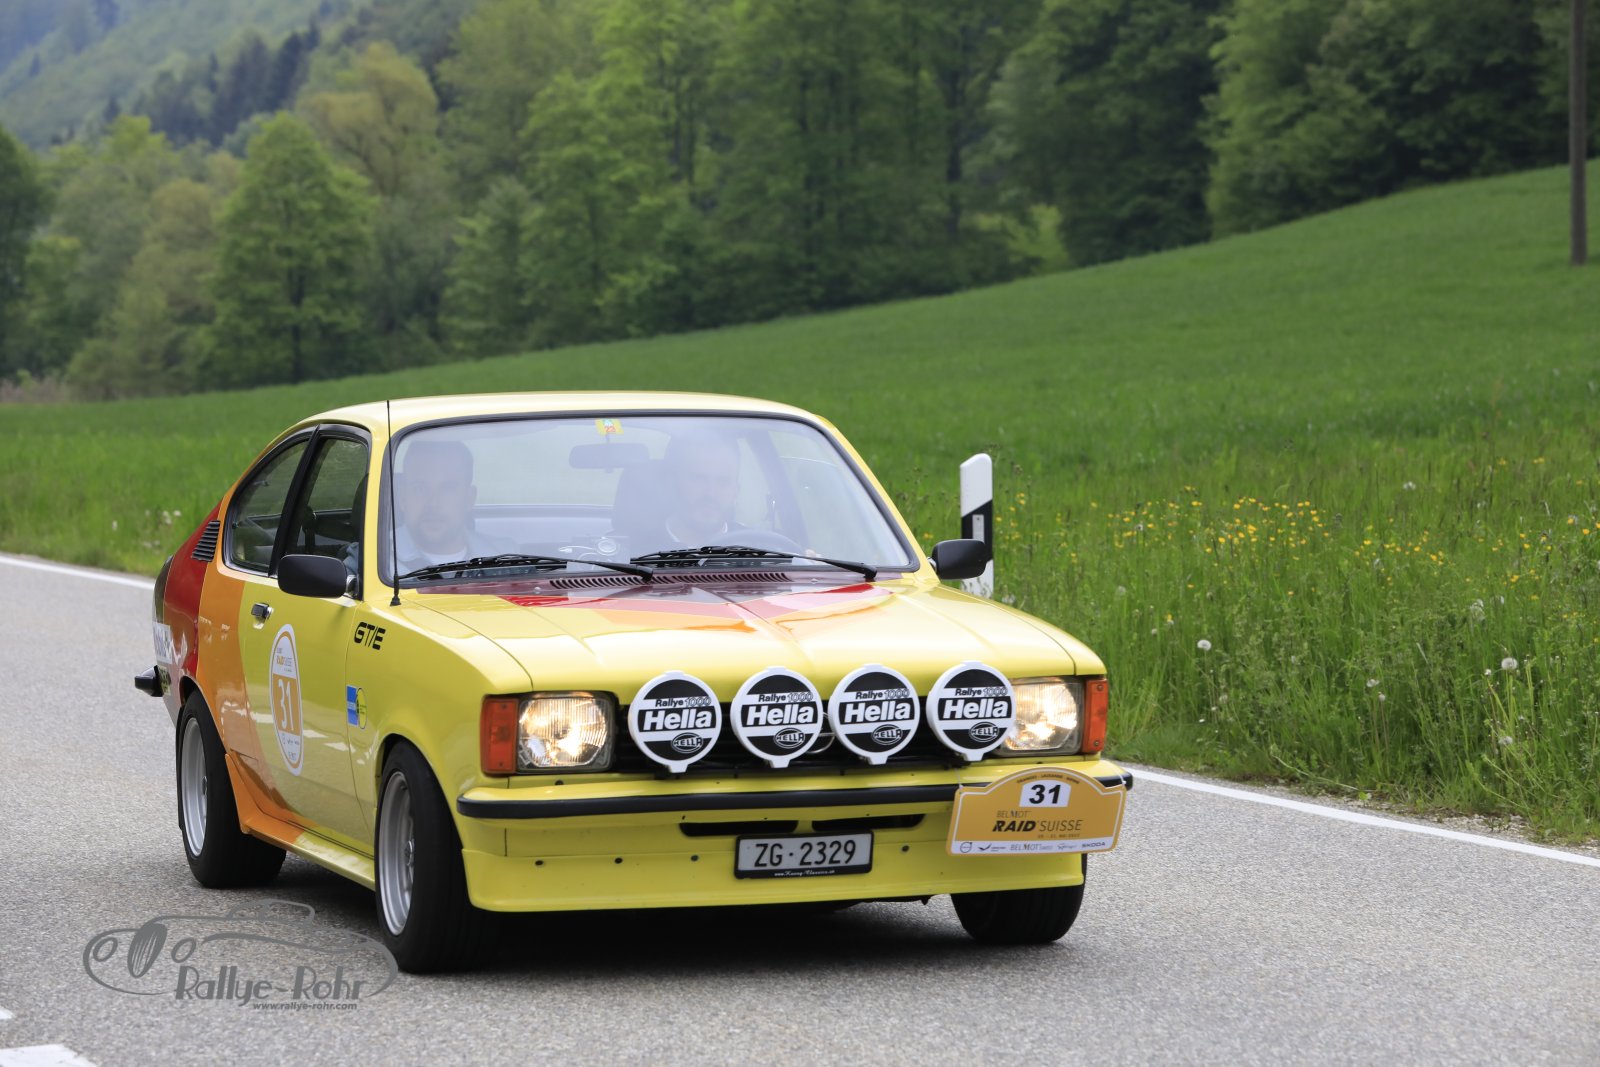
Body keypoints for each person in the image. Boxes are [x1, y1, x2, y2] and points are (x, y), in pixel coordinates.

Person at [392, 438, 513, 573]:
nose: (433, 504)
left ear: (469, 499)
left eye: (448, 489)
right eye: (420, 488)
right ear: (402, 498)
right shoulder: (376, 558)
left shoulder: (506, 559)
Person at [660, 432, 746, 548]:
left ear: (736, 491)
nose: (711, 493)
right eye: (699, 479)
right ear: (674, 483)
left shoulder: (756, 548)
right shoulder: (640, 550)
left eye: (723, 481)